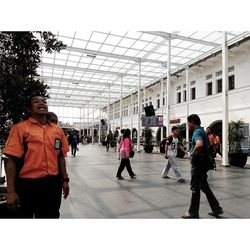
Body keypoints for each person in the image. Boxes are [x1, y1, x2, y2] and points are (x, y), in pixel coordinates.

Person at [3, 95, 69, 218]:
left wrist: (65, 180)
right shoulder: (20, 129)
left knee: (51, 216)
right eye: (36, 101)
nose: (41, 103)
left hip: (52, 185)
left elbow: (60, 157)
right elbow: (10, 161)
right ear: (29, 109)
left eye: (44, 101)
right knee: (24, 217)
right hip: (27, 186)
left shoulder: (57, 131)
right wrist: (11, 192)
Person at [182, 114, 223, 219]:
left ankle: (193, 212)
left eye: (188, 123)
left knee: (195, 187)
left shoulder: (197, 132)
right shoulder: (202, 131)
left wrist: (192, 154)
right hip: (204, 163)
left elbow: (199, 144)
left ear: (192, 122)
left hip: (198, 164)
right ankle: (216, 208)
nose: (187, 125)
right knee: (204, 186)